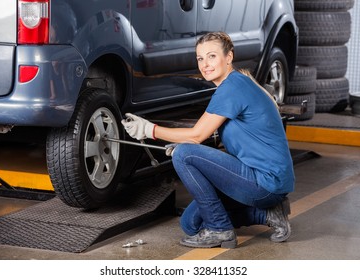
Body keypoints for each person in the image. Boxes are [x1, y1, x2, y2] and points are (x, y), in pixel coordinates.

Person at [122, 31, 295, 249]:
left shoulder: (232, 87)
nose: (205, 64)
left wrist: (149, 129)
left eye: (212, 56)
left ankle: (220, 230)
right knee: (191, 223)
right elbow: (203, 135)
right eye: (200, 59)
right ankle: (267, 214)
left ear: (229, 57)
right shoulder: (234, 84)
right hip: (259, 179)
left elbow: (197, 135)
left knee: (184, 155)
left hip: (266, 181)